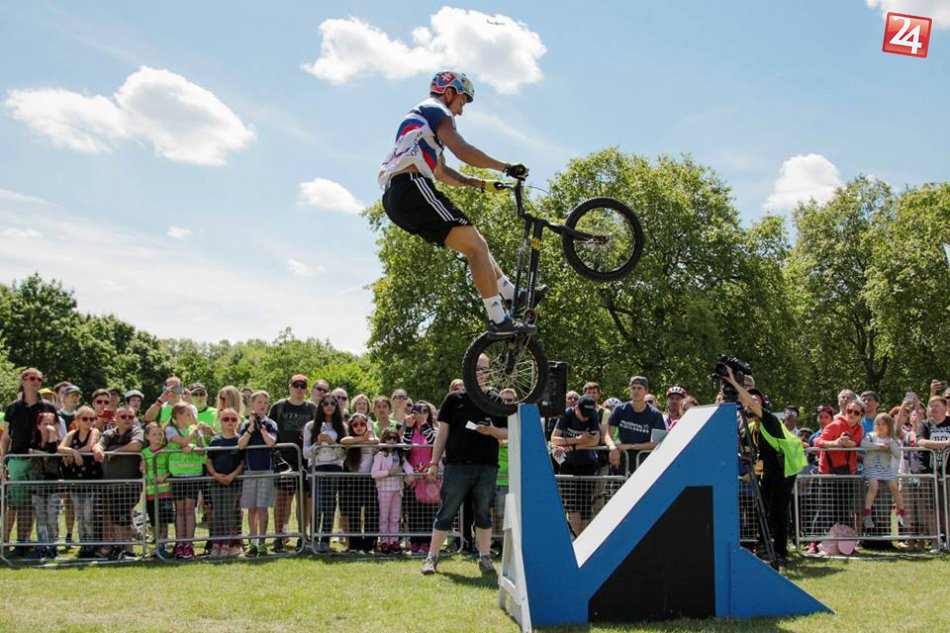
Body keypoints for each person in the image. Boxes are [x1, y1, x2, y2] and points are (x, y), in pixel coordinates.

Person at [378, 70, 534, 338]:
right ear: (448, 93)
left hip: (398, 196)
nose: (460, 112)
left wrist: (482, 184)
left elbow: (443, 173)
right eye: (461, 102)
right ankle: (499, 319)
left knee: (476, 245)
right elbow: (463, 151)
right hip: (411, 187)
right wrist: (505, 167)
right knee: (476, 246)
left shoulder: (421, 126)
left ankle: (511, 295)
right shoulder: (435, 109)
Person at [421, 354, 507, 576]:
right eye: (477, 368)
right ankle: (432, 557)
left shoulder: (495, 399)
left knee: (483, 514)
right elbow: (442, 434)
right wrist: (433, 463)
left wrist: (491, 431)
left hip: (487, 466)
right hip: (457, 466)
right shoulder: (453, 399)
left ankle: (485, 558)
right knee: (446, 512)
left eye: (485, 369)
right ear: (467, 368)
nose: (481, 373)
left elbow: (507, 432)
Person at [721, 368, 807, 565]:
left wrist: (734, 382)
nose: (751, 401)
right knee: (761, 506)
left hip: (783, 469)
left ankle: (780, 552)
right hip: (767, 469)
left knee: (778, 510)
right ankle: (763, 546)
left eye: (755, 400)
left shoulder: (770, 419)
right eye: (749, 399)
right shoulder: (751, 427)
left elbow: (750, 403)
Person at [2, 368, 57, 557]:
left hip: (38, 462)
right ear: (23, 381)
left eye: (39, 379)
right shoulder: (13, 407)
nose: (36, 382)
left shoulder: (48, 407)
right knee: (15, 505)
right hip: (16, 460)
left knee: (32, 506)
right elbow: (6, 437)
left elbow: (55, 434)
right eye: (32, 378)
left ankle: (23, 542)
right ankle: (7, 543)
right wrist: (3, 462)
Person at [268, 374, 317, 553]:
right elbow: (270, 430)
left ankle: (302, 535)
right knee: (282, 500)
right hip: (283, 460)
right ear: (289, 386)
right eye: (295, 385)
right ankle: (279, 536)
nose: (299, 389)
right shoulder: (278, 406)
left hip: (305, 460)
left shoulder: (312, 408)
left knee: (303, 501)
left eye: (303, 385)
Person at [92, 405, 143, 560]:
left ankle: (128, 550)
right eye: (123, 416)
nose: (127, 419)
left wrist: (116, 452)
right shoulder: (109, 433)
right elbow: (98, 444)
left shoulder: (136, 431)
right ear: (116, 418)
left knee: (123, 519)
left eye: (131, 417)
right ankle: (121, 548)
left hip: (129, 485)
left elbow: (136, 445)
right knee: (115, 519)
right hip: (110, 485)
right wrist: (98, 449)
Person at [165, 403, 212, 560]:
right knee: (179, 510)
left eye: (191, 414)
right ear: (177, 416)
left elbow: (202, 451)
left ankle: (188, 545)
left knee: (190, 508)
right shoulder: (171, 429)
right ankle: (180, 543)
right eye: (187, 414)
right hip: (177, 475)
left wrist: (195, 445)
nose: (191, 417)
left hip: (193, 474)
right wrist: (192, 438)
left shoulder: (194, 430)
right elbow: (182, 442)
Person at [550, 395, 602, 537]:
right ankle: (574, 538)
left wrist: (572, 447)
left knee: (585, 504)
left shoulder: (593, 415)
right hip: (568, 464)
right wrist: (578, 439)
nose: (586, 418)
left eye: (588, 415)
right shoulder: (567, 414)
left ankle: (583, 538)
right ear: (576, 408)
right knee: (572, 504)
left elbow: (595, 441)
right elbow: (554, 439)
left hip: (588, 464)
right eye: (583, 415)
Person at [303, 393, 348, 553]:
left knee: (330, 505)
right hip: (316, 467)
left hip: (334, 467)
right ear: (320, 406)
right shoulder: (310, 426)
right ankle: (314, 538)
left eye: (332, 404)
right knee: (318, 503)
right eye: (325, 403)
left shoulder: (342, 427)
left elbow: (342, 455)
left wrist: (331, 442)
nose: (329, 406)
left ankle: (325, 540)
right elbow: (305, 454)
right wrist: (317, 444)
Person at [58, 406, 102, 558]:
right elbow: (60, 447)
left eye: (92, 419)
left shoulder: (94, 431)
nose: (88, 422)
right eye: (85, 419)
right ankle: (84, 545)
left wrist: (74, 454)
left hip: (91, 479)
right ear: (77, 420)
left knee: (89, 515)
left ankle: (92, 545)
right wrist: (73, 452)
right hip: (76, 480)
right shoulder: (72, 434)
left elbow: (90, 447)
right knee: (80, 515)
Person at [237, 391, 278, 557]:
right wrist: (250, 428)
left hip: (266, 470)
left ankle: (262, 541)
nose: (263, 405)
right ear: (252, 404)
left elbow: (271, 442)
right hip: (249, 470)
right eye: (259, 402)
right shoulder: (245, 424)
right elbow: (241, 445)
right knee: (252, 508)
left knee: (262, 507)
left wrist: (262, 429)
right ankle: (252, 542)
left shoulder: (270, 424)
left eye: (265, 403)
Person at [605, 376, 665, 475]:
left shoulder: (655, 414)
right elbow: (608, 435)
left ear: (646, 391)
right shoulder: (619, 410)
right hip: (621, 460)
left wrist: (631, 446)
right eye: (633, 388)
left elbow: (657, 442)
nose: (636, 391)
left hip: (644, 463)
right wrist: (613, 448)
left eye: (639, 388)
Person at [401, 401, 439, 555]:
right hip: (412, 478)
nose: (421, 414)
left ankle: (426, 543)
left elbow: (434, 444)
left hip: (429, 477)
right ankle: (415, 542)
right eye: (417, 411)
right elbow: (404, 450)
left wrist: (424, 425)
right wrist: (409, 428)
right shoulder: (408, 431)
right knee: (412, 511)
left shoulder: (434, 430)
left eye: (424, 411)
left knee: (428, 511)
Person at [206, 409, 245, 558]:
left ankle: (229, 544)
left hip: (233, 483)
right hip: (216, 483)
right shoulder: (215, 440)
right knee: (217, 513)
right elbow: (209, 461)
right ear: (220, 421)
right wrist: (215, 475)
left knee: (229, 513)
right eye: (226, 419)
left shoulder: (240, 440)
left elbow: (242, 462)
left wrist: (232, 476)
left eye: (233, 419)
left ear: (238, 422)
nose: (230, 422)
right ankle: (216, 544)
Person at [339, 412, 379, 554]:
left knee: (371, 513)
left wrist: (361, 440)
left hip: (369, 480)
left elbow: (375, 441)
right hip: (353, 480)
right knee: (353, 513)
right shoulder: (350, 439)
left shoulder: (372, 437)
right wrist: (362, 439)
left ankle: (368, 544)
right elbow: (344, 441)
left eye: (362, 424)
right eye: (355, 424)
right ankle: (355, 545)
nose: (359, 427)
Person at [860, 413, 905, 531]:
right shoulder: (870, 436)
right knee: (874, 485)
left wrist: (891, 445)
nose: (880, 426)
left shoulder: (891, 439)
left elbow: (897, 454)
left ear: (889, 426)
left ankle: (901, 513)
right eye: (878, 424)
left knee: (894, 486)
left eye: (883, 424)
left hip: (885, 468)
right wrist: (879, 446)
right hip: (871, 467)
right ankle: (867, 514)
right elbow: (863, 444)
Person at [27, 409, 62, 559]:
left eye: (51, 423)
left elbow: (53, 453)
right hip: (37, 485)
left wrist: (53, 434)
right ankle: (42, 546)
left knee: (52, 517)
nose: (48, 426)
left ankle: (53, 546)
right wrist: (36, 452)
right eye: (45, 423)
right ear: (38, 425)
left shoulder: (58, 442)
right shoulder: (33, 441)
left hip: (53, 486)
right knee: (40, 517)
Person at [372, 428, 412, 554]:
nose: (392, 441)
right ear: (384, 440)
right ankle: (384, 541)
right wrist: (389, 472)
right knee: (384, 517)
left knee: (395, 518)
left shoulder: (399, 455)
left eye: (395, 438)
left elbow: (407, 466)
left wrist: (411, 474)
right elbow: (374, 473)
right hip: (384, 489)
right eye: (389, 438)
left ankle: (394, 541)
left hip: (397, 489)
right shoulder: (380, 455)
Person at [140, 422, 173, 557]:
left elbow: (172, 468)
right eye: (154, 434)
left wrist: (165, 475)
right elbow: (143, 470)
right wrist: (142, 469)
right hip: (150, 492)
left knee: (164, 520)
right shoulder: (144, 453)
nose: (158, 437)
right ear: (147, 436)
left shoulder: (167, 451)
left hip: (165, 492)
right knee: (154, 520)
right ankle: (157, 544)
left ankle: (163, 545)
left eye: (160, 434)